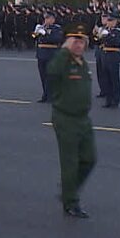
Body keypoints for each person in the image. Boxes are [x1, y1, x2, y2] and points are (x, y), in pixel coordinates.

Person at [47, 23, 96, 219]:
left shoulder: (82, 63)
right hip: (65, 117)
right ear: (68, 42)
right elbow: (51, 72)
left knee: (89, 159)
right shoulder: (63, 61)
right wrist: (63, 52)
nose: (78, 44)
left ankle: (69, 188)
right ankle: (70, 202)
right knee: (70, 162)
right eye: (75, 41)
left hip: (83, 119)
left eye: (81, 41)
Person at [32, 12, 63, 103]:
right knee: (43, 76)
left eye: (48, 18)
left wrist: (45, 34)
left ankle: (51, 96)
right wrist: (36, 32)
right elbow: (34, 37)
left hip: (51, 54)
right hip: (41, 54)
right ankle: (45, 95)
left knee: (50, 76)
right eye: (45, 18)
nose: (46, 20)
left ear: (53, 19)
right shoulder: (42, 27)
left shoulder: (57, 28)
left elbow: (57, 39)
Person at [99, 12, 120, 108]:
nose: (109, 22)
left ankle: (115, 100)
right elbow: (98, 41)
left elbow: (116, 42)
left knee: (114, 79)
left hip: (113, 55)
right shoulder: (104, 30)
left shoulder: (118, 31)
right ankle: (108, 100)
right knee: (106, 79)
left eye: (111, 20)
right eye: (108, 20)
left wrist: (107, 36)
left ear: (115, 21)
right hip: (105, 55)